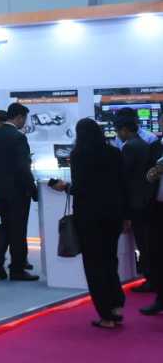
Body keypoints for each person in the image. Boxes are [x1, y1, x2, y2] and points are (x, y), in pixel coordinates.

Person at [52, 119, 127, 328]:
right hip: (113, 215)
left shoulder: (79, 155)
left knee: (94, 265)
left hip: (89, 217)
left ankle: (106, 315)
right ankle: (116, 306)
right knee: (110, 260)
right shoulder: (114, 153)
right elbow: (122, 184)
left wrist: (64, 187)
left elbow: (81, 187)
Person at [0, 102, 39, 281]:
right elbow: (23, 168)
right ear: (20, 117)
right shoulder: (18, 137)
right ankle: (17, 269)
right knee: (18, 231)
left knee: (1, 229)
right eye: (25, 119)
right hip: (17, 192)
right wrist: (34, 191)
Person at [116, 115, 157, 294]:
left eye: (118, 131)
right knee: (148, 241)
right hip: (147, 199)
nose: (118, 135)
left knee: (143, 242)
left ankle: (150, 279)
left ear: (125, 130)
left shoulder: (129, 147)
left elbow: (124, 176)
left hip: (136, 201)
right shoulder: (143, 144)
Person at [142, 158, 163, 315]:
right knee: (157, 256)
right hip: (158, 210)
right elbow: (149, 178)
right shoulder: (160, 159)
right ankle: (160, 299)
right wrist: (156, 172)